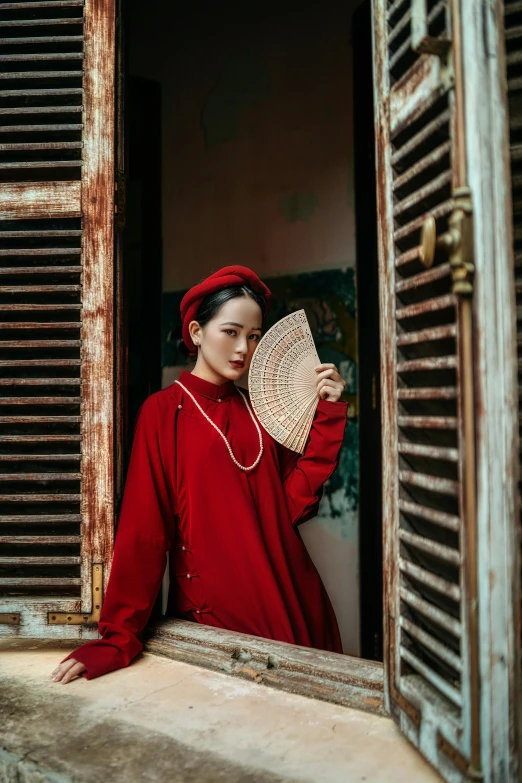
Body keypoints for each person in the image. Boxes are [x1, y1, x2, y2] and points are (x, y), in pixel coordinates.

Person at [51, 265, 348, 683]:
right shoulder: (162, 412)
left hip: (292, 600)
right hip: (215, 618)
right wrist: (118, 636)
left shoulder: (261, 409)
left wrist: (328, 418)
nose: (243, 348)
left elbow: (292, 506)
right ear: (195, 333)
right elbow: (146, 532)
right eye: (230, 331)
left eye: (254, 335)